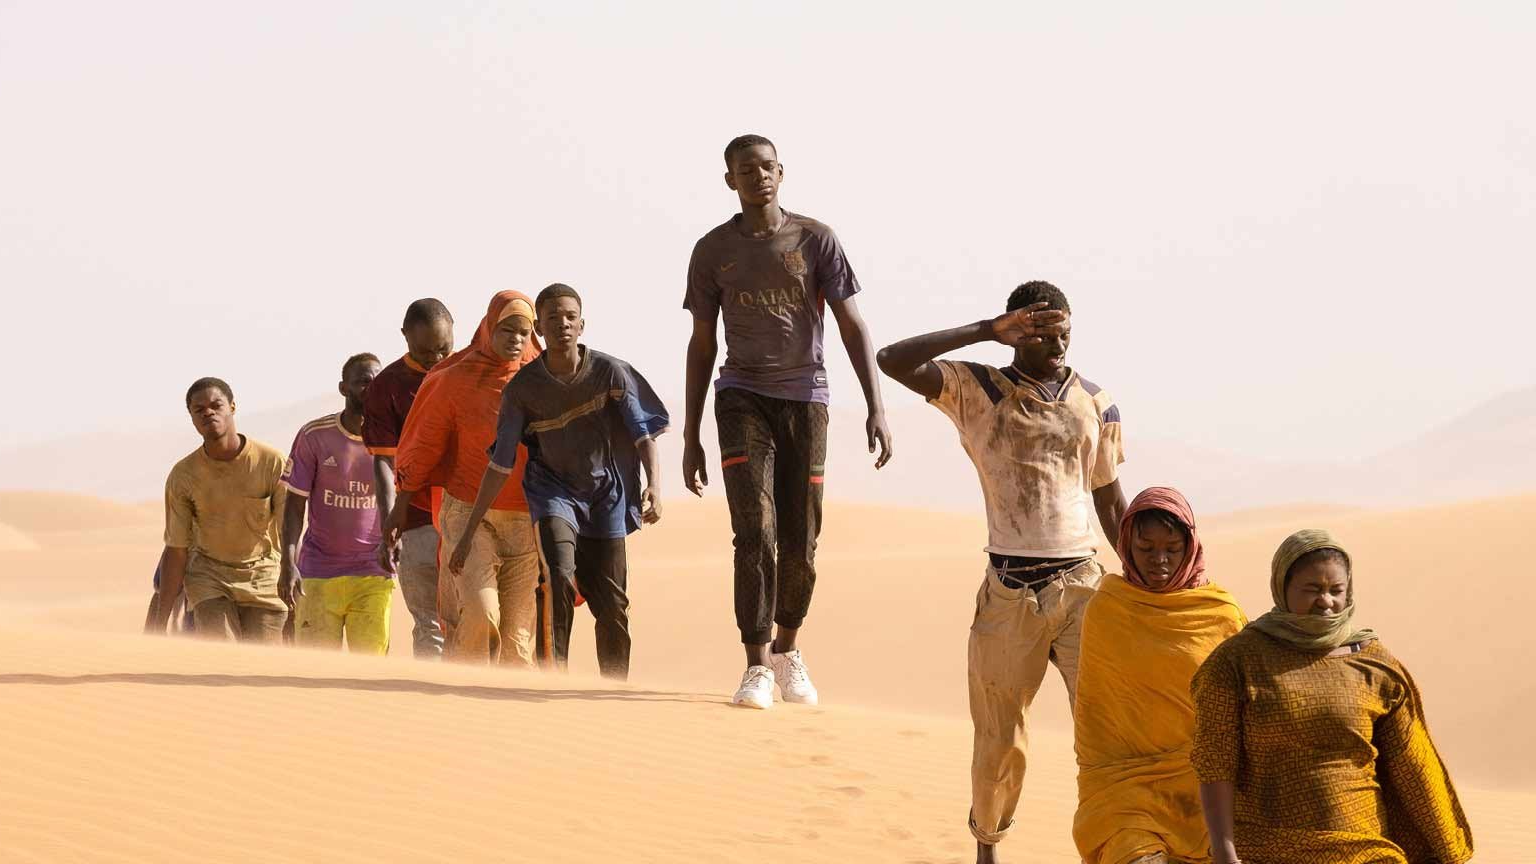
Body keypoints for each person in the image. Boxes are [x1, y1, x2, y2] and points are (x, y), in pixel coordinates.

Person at [876, 280, 1126, 864]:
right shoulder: (978, 388)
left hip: (1084, 586)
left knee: (1106, 731)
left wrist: (1145, 579)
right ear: (1017, 333)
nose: (1056, 344)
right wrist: (986, 330)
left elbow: (1111, 500)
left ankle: (1116, 846)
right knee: (999, 741)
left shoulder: (1097, 401)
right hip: (1010, 590)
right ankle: (987, 850)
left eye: (1064, 332)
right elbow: (891, 360)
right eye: (1041, 334)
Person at [682, 133, 893, 709]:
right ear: (730, 180)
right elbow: (702, 342)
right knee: (755, 531)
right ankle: (755, 664)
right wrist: (691, 434)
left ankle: (787, 649)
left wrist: (875, 405)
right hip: (740, 396)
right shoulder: (712, 250)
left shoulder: (816, 239)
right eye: (747, 170)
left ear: (782, 172)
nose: (760, 177)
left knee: (801, 537)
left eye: (768, 167)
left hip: (806, 399)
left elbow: (851, 323)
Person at [1191, 530, 1474, 864]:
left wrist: (1446, 850)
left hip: (1366, 847)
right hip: (1268, 848)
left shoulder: (1374, 663)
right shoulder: (1236, 661)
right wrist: (1225, 852)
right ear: (1282, 587)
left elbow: (1413, 765)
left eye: (1335, 590)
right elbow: (1215, 763)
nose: (1325, 601)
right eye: (1312, 590)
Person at [448, 283, 669, 680]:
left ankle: (614, 687)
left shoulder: (610, 372)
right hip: (554, 494)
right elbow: (499, 465)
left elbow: (642, 436)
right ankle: (555, 676)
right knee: (558, 577)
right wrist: (466, 533)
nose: (563, 324)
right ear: (540, 329)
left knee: (613, 604)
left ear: (582, 325)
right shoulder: (523, 389)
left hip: (606, 497)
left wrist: (654, 484)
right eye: (552, 318)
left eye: (570, 317)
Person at [1072, 487, 1245, 864]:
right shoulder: (1108, 608)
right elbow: (1095, 718)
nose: (1159, 560)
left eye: (1172, 548)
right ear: (1126, 545)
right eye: (1146, 548)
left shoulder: (1220, 613)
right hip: (1125, 791)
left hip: (1208, 792)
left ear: (1191, 547)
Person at [391, 291, 543, 665]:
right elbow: (424, 443)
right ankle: (462, 690)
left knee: (517, 641)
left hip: (526, 520)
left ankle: (501, 702)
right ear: (489, 327)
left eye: (524, 332)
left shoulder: (543, 378)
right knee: (479, 613)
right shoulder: (455, 379)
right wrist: (401, 504)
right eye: (507, 329)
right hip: (468, 514)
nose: (516, 339)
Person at [145, 377, 290, 643]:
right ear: (191, 417)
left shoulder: (272, 462)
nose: (208, 413)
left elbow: (289, 533)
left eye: (216, 405)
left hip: (263, 578)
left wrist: (293, 587)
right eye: (199, 410)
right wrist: (159, 620)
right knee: (222, 652)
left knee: (264, 658)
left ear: (232, 407)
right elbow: (176, 548)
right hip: (209, 579)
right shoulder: (183, 475)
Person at [281, 353, 396, 654]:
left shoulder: (395, 437)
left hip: (374, 572)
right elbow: (294, 506)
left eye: (378, 383)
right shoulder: (314, 436)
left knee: (370, 670)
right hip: (318, 572)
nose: (371, 389)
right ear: (344, 388)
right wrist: (288, 563)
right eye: (363, 382)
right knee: (313, 669)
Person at [365, 298, 456, 659]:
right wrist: (390, 520)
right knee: (430, 625)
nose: (436, 358)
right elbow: (384, 461)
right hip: (416, 519)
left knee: (471, 619)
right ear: (405, 336)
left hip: (468, 516)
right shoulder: (387, 386)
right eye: (425, 351)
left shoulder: (469, 373)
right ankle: (430, 690)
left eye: (444, 348)